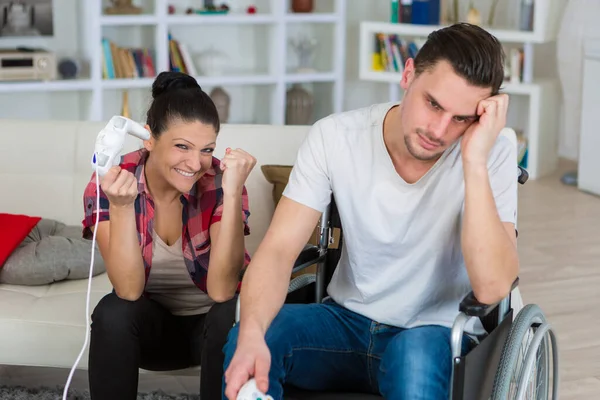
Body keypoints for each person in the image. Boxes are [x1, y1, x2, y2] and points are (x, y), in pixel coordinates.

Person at [223, 23, 519, 400]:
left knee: (411, 358)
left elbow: (493, 287)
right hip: (344, 322)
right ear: (408, 74)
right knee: (251, 336)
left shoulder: (493, 152)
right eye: (433, 104)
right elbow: (279, 250)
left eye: (461, 118)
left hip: (432, 334)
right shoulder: (334, 136)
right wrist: (251, 334)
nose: (440, 130)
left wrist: (474, 160)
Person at [82, 71, 257, 400]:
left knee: (227, 312)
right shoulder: (113, 179)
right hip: (155, 333)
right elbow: (129, 290)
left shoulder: (219, 180)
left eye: (206, 149)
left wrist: (232, 194)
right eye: (182, 146)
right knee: (112, 312)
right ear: (149, 138)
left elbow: (221, 290)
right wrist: (120, 208)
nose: (195, 163)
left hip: (218, 332)